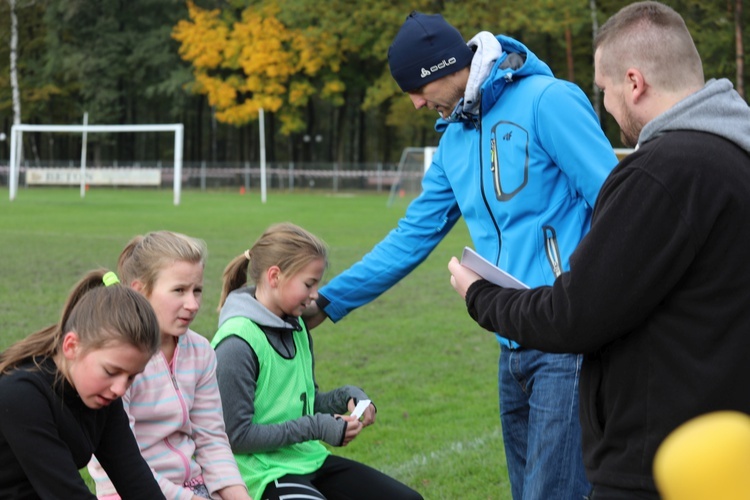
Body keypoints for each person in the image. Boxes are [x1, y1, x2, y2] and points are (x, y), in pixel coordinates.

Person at [304, 11, 618, 499]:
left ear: (441, 69)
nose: (413, 103)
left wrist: (593, 297)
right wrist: (327, 301)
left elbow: (617, 203)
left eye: (415, 87)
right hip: (510, 342)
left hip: (568, 341)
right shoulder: (454, 138)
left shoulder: (548, 102)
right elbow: (412, 236)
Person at [447, 2, 750, 498]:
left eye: (604, 92)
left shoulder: (663, 172)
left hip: (658, 461)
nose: (605, 108)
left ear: (634, 83)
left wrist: (480, 295)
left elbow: (574, 315)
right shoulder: (735, 158)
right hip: (722, 450)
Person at [211, 222, 423, 500]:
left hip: (308, 459)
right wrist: (318, 427)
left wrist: (347, 397)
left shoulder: (296, 327)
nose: (315, 294)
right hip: (262, 473)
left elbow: (303, 405)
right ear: (275, 276)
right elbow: (236, 437)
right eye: (309, 284)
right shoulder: (237, 344)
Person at [88, 231, 250, 500]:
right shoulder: (117, 361)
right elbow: (118, 463)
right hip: (128, 490)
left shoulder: (201, 352)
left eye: (197, 290)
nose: (193, 304)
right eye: (179, 290)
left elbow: (212, 440)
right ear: (140, 291)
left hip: (193, 487)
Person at [0, 269, 165, 499]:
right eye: (111, 371)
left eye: (131, 377)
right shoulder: (21, 394)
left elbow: (135, 478)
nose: (119, 388)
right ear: (71, 346)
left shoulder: (103, 396)